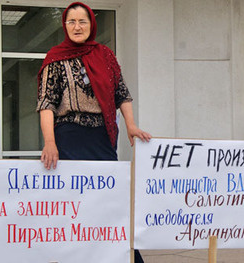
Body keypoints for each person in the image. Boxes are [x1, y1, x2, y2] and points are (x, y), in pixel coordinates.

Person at [36, 2, 150, 262]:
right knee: (74, 204)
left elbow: (121, 93)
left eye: (82, 21)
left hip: (102, 137)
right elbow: (46, 104)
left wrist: (131, 125)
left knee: (110, 201)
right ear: (65, 25)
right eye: (72, 22)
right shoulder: (55, 57)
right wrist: (50, 142)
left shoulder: (105, 55)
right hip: (69, 138)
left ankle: (123, 257)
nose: (77, 27)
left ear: (91, 25)